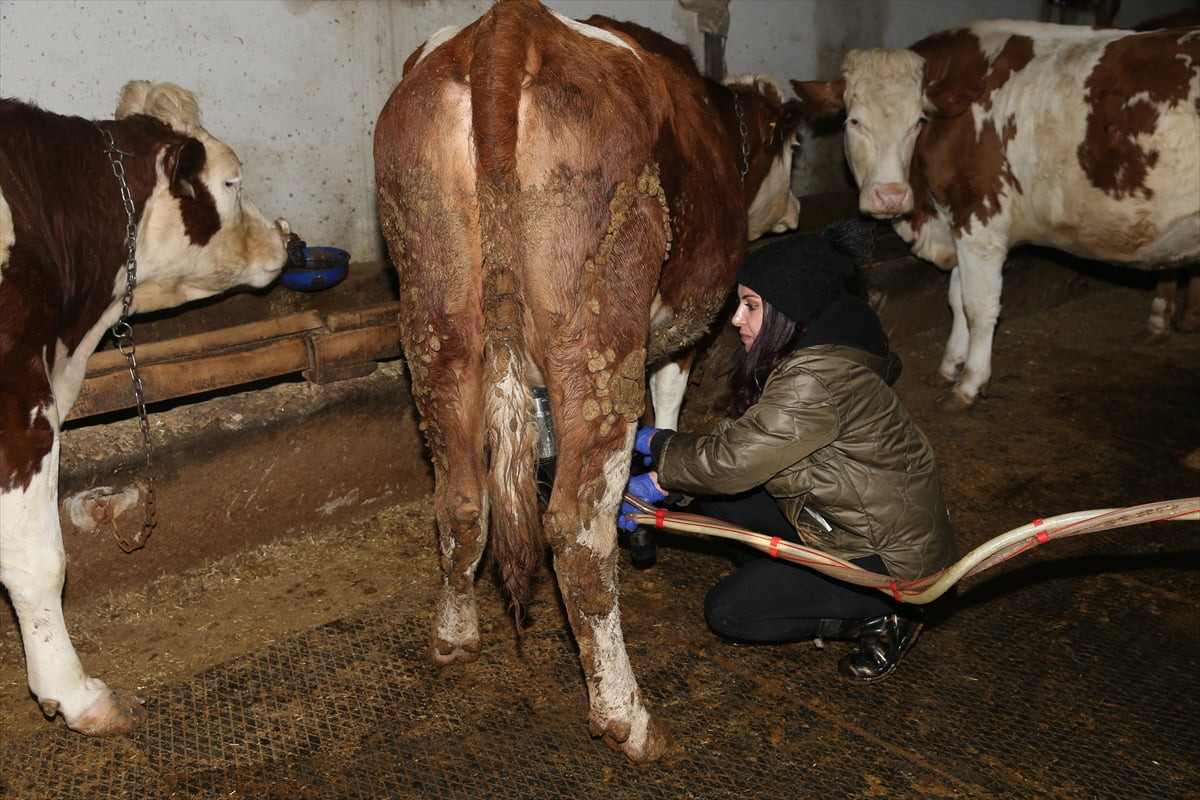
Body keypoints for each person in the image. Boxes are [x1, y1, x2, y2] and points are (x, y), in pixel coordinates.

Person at [622, 219, 958, 682]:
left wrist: (656, 449)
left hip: (890, 562)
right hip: (847, 523)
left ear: (789, 311)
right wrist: (666, 473)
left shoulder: (817, 380)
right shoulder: (812, 357)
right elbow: (743, 443)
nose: (736, 319)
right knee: (718, 499)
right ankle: (795, 580)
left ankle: (882, 616)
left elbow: (731, 462)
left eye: (750, 305)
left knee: (732, 611)